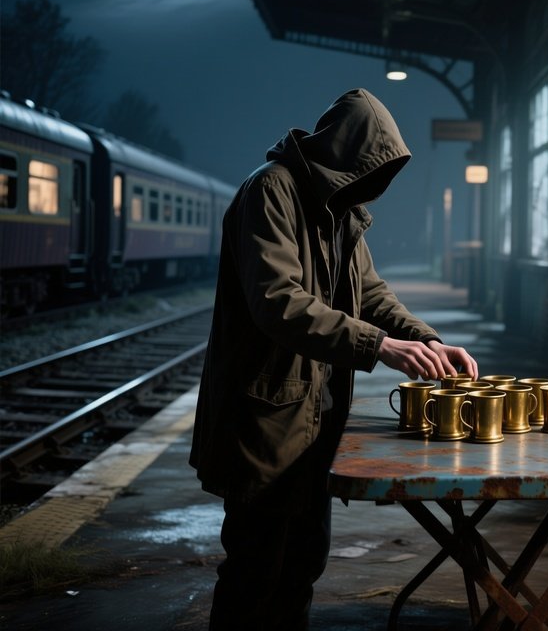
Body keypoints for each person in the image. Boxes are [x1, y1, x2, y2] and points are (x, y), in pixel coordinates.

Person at [190, 87, 479, 630]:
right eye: (372, 172)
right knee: (256, 570)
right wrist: (380, 346)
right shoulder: (270, 192)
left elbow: (371, 294)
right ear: (347, 157)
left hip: (314, 421)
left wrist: (427, 339)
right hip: (265, 420)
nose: (375, 188)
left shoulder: (340, 212)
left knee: (302, 563)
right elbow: (279, 301)